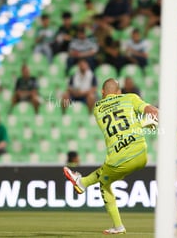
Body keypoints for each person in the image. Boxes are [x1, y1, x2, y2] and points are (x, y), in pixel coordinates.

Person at [63, 78, 159, 234]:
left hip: (119, 159)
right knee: (105, 180)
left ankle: (82, 183)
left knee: (104, 184)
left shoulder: (97, 109)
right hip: (141, 154)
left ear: (102, 93)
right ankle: (116, 225)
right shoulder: (130, 98)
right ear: (119, 91)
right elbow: (152, 113)